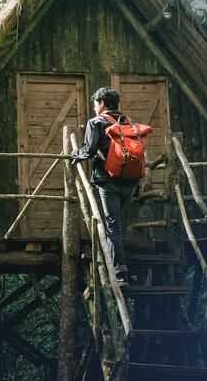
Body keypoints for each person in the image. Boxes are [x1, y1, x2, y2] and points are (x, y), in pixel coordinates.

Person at [72, 87, 138, 286]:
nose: (94, 108)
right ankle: (120, 267)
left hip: (108, 182)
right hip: (129, 182)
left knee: (113, 228)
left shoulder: (96, 122)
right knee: (117, 226)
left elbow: (89, 150)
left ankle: (119, 274)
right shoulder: (127, 123)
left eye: (95, 104)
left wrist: (75, 154)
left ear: (101, 103)